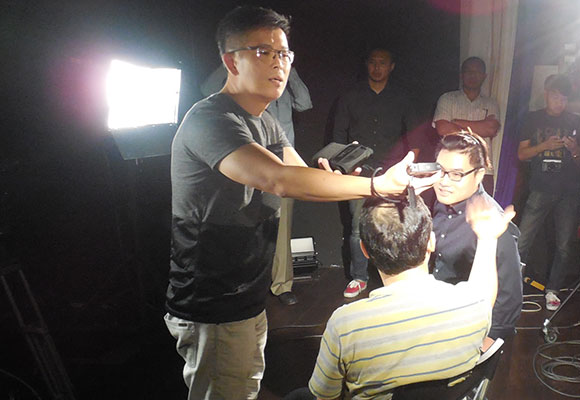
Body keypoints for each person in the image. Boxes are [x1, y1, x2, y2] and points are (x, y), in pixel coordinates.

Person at [165, 7, 435, 399]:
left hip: (247, 294)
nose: (279, 63)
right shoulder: (210, 120)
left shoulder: (266, 121)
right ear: (231, 61)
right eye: (264, 52)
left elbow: (299, 173)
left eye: (284, 54)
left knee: (244, 386)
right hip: (212, 301)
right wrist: (377, 185)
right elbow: (278, 179)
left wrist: (343, 179)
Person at [306, 194, 514, 400]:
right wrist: (487, 239)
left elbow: (325, 396)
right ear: (431, 241)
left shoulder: (345, 326)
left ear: (364, 250)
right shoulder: (473, 305)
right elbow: (485, 291)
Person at [201, 63, 313, 306]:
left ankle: (282, 285)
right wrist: (233, 63)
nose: (273, 58)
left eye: (280, 52)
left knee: (281, 231)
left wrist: (290, 70)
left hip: (284, 168)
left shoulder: (284, 80)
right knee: (244, 228)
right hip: (248, 168)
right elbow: (207, 89)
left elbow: (304, 103)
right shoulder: (243, 81)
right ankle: (244, 286)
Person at [332, 48, 421, 298]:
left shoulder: (402, 97)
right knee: (357, 226)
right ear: (366, 64)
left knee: (393, 224)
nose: (377, 67)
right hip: (358, 171)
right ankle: (359, 277)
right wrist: (343, 170)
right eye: (373, 62)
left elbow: (415, 137)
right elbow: (338, 136)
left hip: (391, 170)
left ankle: (393, 276)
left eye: (382, 63)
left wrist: (408, 166)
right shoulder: (350, 96)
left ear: (391, 66)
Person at [431, 132, 521, 350]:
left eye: (456, 174)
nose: (443, 181)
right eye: (439, 171)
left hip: (466, 331)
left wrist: (486, 344)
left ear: (479, 174)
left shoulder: (491, 222)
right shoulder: (440, 202)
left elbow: (510, 296)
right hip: (435, 318)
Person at [516, 74, 580, 311]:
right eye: (555, 96)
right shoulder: (533, 119)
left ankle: (553, 290)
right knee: (523, 240)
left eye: (564, 98)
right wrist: (545, 146)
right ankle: (512, 287)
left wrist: (574, 149)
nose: (559, 102)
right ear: (546, 94)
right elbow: (521, 154)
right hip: (540, 187)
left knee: (564, 245)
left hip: (568, 190)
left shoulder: (574, 120)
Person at [432, 57, 501, 194]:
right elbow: (443, 128)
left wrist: (457, 122)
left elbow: (490, 129)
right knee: (450, 206)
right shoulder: (447, 99)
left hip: (482, 169)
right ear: (461, 75)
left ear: (484, 76)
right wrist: (480, 127)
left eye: (477, 72)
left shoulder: (491, 103)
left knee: (481, 207)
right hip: (450, 170)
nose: (472, 75)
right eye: (468, 71)